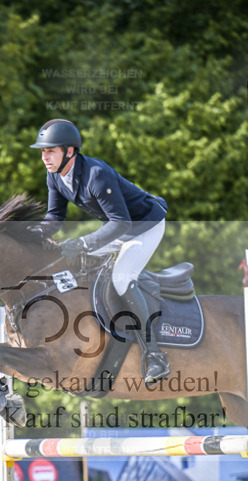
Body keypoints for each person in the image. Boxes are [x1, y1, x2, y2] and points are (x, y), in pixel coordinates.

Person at [29, 118, 170, 385]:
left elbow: (122, 223)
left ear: (69, 151)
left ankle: (155, 355)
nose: (44, 157)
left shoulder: (96, 174)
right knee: (69, 262)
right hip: (119, 229)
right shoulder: (55, 176)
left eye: (51, 151)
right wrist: (30, 235)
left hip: (145, 226)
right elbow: (55, 218)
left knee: (121, 279)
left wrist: (84, 243)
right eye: (43, 151)